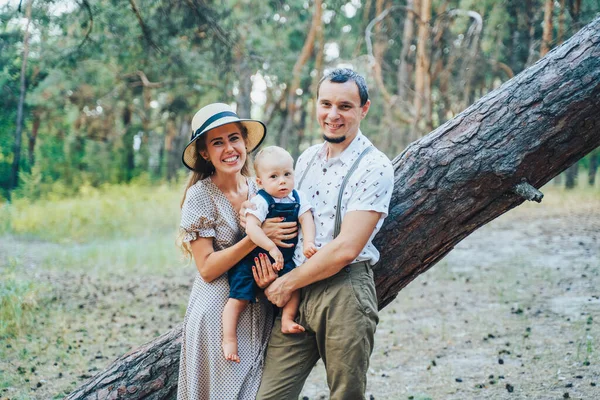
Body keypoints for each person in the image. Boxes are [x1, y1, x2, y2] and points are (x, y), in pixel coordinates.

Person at [254, 68, 395, 400]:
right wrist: (272, 268)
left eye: (345, 106)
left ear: (364, 109)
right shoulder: (303, 161)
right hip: (297, 294)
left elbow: (346, 248)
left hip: (343, 291)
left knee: (345, 395)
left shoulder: (375, 166)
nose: (333, 115)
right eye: (326, 104)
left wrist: (286, 283)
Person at [176, 103, 297, 400]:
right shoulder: (200, 196)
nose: (229, 148)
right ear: (205, 152)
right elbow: (207, 269)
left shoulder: (263, 190)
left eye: (234, 138)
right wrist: (256, 238)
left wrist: (273, 277)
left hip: (261, 308)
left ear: (244, 142)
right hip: (216, 316)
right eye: (217, 142)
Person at [222, 145, 317, 363]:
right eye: (274, 176)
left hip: (283, 261)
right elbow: (252, 228)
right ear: (260, 182)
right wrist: (271, 247)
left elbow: (306, 219)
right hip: (253, 259)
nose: (282, 181)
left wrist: (308, 242)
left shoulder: (297, 197)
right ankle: (229, 339)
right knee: (238, 299)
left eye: (287, 174)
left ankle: (287, 318)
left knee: (294, 285)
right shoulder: (261, 200)